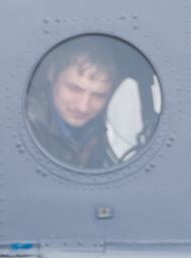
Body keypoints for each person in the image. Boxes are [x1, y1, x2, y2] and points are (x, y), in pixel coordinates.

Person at [26, 36, 122, 169]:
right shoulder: (29, 125)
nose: (83, 107)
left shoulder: (97, 127)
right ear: (52, 73)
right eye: (74, 88)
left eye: (98, 95)